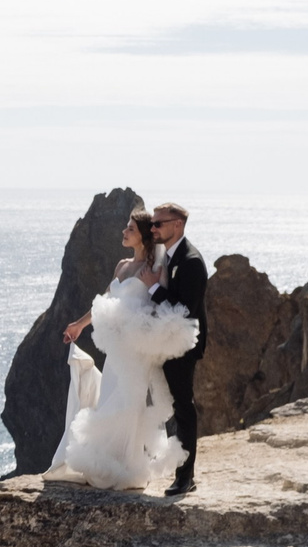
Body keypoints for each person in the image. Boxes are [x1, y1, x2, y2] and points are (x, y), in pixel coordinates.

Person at [48, 209, 199, 492]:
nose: (124, 232)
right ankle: (107, 462)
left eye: (130, 228)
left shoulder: (156, 269)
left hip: (136, 351)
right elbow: (106, 299)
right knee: (109, 399)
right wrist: (79, 324)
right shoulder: (121, 265)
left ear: (142, 236)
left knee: (129, 405)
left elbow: (162, 308)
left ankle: (128, 467)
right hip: (116, 349)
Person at [147, 203, 209, 496]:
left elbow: (184, 309)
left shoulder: (191, 261)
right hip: (165, 342)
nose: (153, 229)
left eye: (158, 223)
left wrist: (153, 289)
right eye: (152, 223)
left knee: (184, 407)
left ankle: (185, 477)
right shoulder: (167, 256)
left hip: (183, 345)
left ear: (178, 225)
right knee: (174, 406)